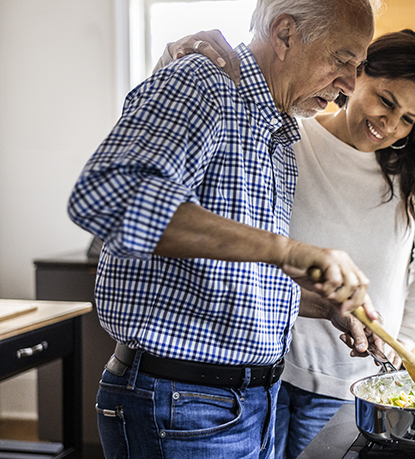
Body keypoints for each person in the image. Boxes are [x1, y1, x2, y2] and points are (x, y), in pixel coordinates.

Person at [66, 1, 379, 458]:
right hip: (183, 405)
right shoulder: (203, 82)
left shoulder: (276, 129)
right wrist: (289, 251)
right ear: (285, 33)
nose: (350, 84)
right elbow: (109, 196)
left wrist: (323, 304)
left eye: (358, 65)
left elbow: (230, 274)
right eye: (342, 60)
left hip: (249, 402)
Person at [162, 28, 415, 458]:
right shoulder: (290, 138)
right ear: (356, 76)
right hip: (265, 374)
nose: (389, 125)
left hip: (354, 382)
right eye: (385, 100)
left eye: (409, 119)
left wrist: (404, 341)